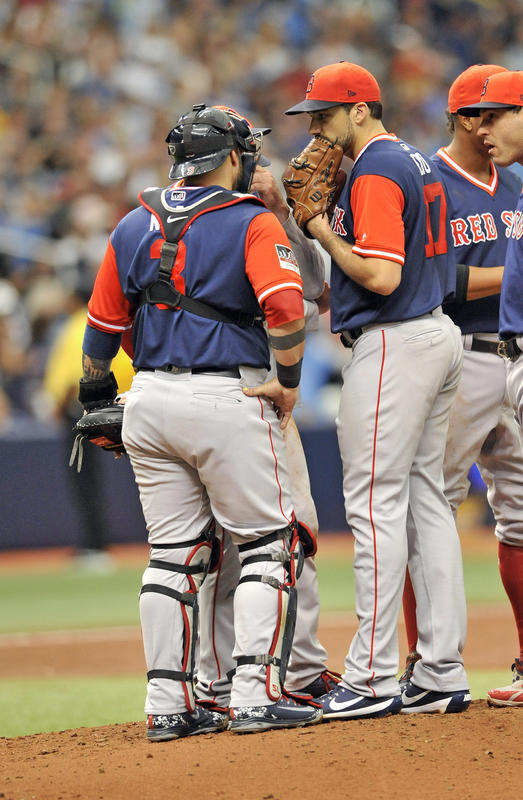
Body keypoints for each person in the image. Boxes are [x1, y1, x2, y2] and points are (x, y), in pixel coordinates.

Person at [79, 102, 323, 739]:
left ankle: (171, 705)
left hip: (150, 401)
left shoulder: (133, 222)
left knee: (173, 558)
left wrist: (94, 393)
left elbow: (101, 328)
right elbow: (288, 312)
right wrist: (290, 382)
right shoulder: (250, 221)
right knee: (272, 547)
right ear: (235, 158)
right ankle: (254, 695)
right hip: (227, 396)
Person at [284, 61, 470, 718]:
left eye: (325, 114)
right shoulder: (416, 162)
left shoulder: (374, 170)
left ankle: (368, 676)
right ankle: (441, 669)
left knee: (373, 504)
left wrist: (318, 229)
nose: (315, 129)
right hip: (435, 334)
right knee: (424, 502)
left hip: (394, 338)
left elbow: (382, 276)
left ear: (361, 108)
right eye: (310, 116)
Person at [195, 165, 340, 712]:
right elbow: (299, 302)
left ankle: (291, 669)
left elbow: (319, 291)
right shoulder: (212, 228)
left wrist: (282, 214)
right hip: (245, 390)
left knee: (286, 535)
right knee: (254, 543)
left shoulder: (258, 222)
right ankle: (231, 680)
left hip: (253, 391)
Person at [457, 69, 523, 708]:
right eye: (475, 115)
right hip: (466, 355)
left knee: (522, 515)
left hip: (516, 352)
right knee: (430, 506)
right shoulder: (431, 182)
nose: (484, 126)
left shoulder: (519, 181)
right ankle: (431, 669)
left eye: (495, 114)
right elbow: (429, 279)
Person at [43, 279, 135, 569]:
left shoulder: (76, 324)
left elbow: (74, 376)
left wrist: (59, 406)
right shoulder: (113, 318)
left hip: (84, 412)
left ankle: (95, 545)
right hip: (126, 404)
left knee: (85, 481)